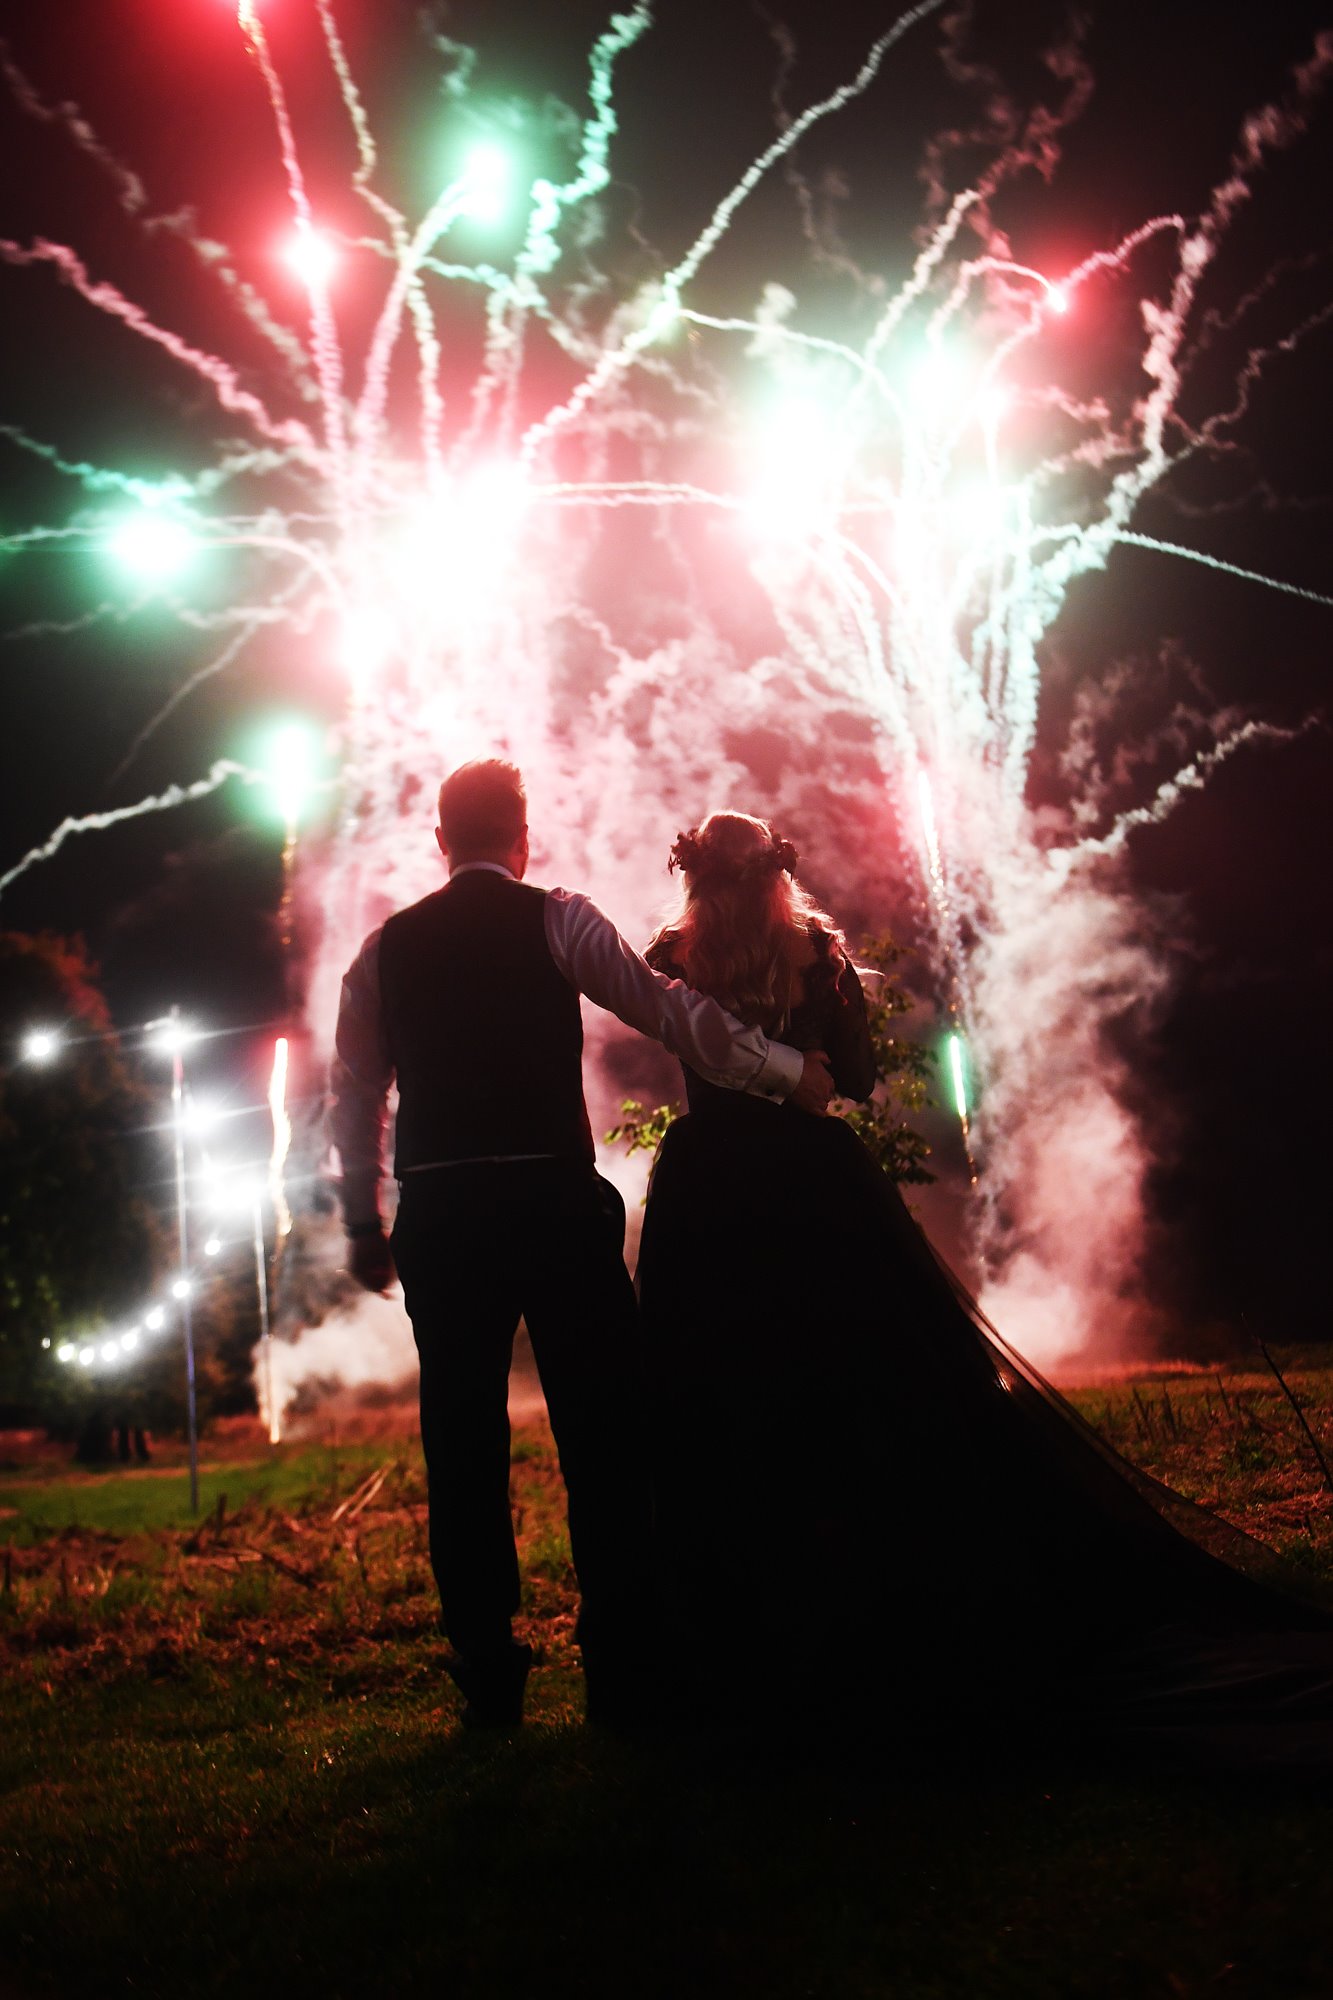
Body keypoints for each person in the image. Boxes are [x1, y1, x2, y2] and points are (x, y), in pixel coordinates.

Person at [638, 811, 1333, 1745]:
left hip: (711, 1192)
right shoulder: (814, 948)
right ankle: (896, 1582)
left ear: (692, 875)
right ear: (774, 870)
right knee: (865, 1381)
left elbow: (682, 1048)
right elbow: (854, 1078)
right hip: (813, 1188)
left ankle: (763, 1612)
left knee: (732, 1391)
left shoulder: (668, 954)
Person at [329, 761, 835, 1729]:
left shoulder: (383, 949)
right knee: (605, 1438)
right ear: (522, 834)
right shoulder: (557, 917)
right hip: (554, 1210)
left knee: (462, 1446)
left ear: (440, 842)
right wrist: (781, 1069)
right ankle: (624, 1666)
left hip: (442, 1219)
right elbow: (667, 1011)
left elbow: (354, 1097)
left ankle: (488, 1671)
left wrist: (361, 1216)